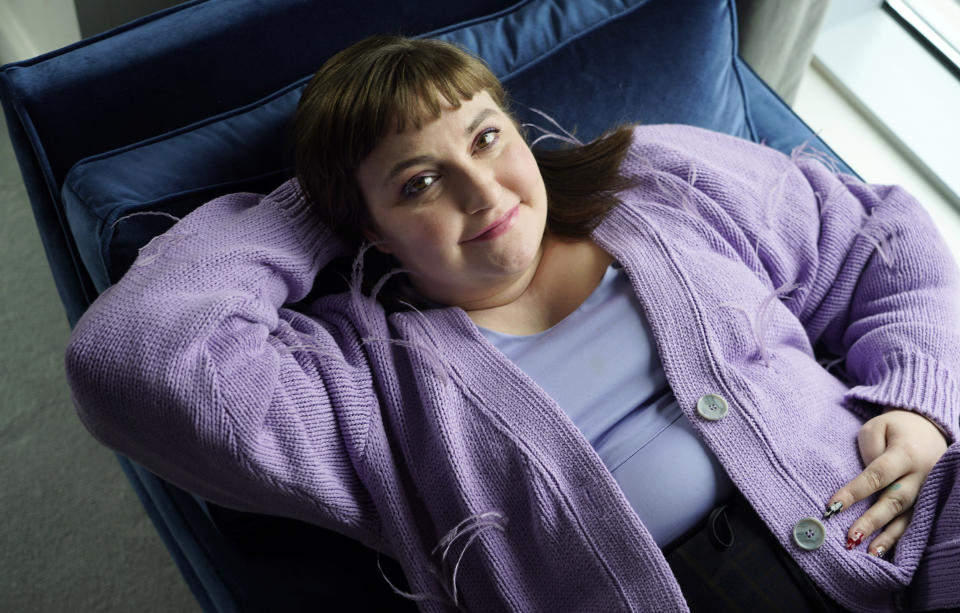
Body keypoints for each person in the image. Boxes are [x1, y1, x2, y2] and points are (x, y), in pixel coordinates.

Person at [64, 35, 960, 612]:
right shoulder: (359, 379)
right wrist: (319, 198)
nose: (483, 191)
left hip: (906, 536)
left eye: (487, 137)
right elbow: (131, 360)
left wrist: (924, 406)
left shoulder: (657, 178)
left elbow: (879, 236)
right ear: (367, 228)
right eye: (420, 182)